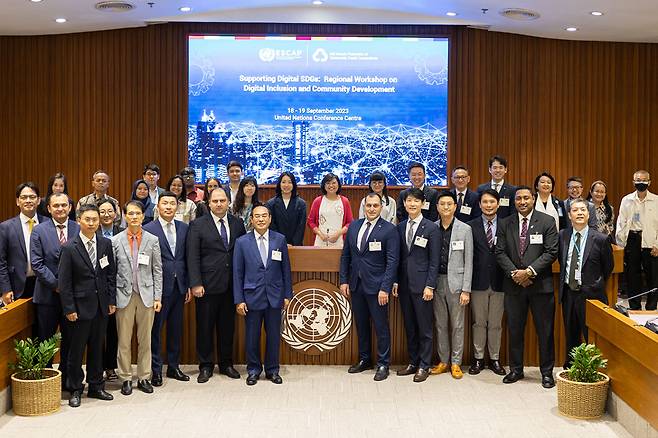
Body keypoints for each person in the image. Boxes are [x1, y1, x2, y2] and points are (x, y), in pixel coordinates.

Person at [495, 186, 558, 388]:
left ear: (533, 198)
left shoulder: (547, 221)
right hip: (513, 286)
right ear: (514, 201)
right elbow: (499, 252)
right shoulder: (505, 223)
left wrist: (529, 272)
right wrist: (516, 274)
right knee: (515, 329)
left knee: (545, 330)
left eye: (526, 198)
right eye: (518, 198)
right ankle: (516, 369)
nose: (522, 202)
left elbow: (551, 252)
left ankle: (547, 373)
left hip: (540, 286)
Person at [58, 204, 116, 408]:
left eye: (95, 219)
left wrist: (111, 301)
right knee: (76, 350)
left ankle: (96, 386)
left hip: (101, 307)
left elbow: (110, 274)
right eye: (87, 219)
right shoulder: (69, 248)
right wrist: (69, 309)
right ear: (79, 221)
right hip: (79, 309)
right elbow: (64, 283)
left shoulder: (105, 244)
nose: (91, 223)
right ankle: (75, 388)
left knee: (97, 349)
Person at [187, 187, 246, 383]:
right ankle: (205, 365)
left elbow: (242, 253)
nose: (219, 204)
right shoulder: (197, 225)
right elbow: (192, 256)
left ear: (228, 202)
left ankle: (226, 364)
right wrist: (195, 283)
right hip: (206, 286)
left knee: (227, 327)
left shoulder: (237, 223)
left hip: (231, 286)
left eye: (222, 201)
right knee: (204, 327)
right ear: (208, 203)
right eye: (215, 201)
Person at [340, 193, 399, 381]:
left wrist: (385, 287)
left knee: (381, 327)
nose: (372, 209)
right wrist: (344, 280)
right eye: (368, 206)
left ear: (381, 208)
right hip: (356, 285)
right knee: (362, 325)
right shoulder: (354, 226)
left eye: (375, 206)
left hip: (378, 287)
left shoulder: (389, 230)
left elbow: (392, 261)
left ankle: (383, 364)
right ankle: (365, 359)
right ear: (363, 207)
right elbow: (346, 256)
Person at [233, 205, 292, 385]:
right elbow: (237, 273)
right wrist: (239, 300)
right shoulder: (242, 242)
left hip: (275, 295)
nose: (260, 219)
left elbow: (285, 270)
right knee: (252, 336)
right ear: (251, 219)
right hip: (252, 296)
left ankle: (273, 370)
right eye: (257, 216)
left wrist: (287, 294)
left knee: (274, 335)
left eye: (264, 216)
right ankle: (253, 370)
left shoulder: (279, 240)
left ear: (270, 218)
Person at [112, 200, 163, 396]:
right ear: (125, 216)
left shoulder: (152, 240)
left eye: (137, 213)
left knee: (146, 340)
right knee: (124, 340)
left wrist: (157, 296)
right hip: (123, 295)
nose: (134, 217)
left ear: (143, 216)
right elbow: (112, 272)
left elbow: (157, 270)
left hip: (147, 296)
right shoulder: (116, 241)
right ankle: (125, 377)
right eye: (130, 213)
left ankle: (144, 376)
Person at [30, 193, 79, 389]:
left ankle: (68, 381)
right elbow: (37, 264)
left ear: (69, 207)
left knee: (70, 340)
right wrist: (58, 285)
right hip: (47, 296)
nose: (60, 209)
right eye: (56, 206)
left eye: (63, 205)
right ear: (49, 209)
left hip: (73, 298)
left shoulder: (78, 228)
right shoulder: (39, 230)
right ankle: (46, 382)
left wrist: (68, 288)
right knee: (45, 342)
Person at [559, 199, 614, 368]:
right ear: (569, 215)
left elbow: (608, 267)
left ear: (589, 214)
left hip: (591, 296)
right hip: (569, 293)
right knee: (571, 334)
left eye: (583, 209)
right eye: (575, 210)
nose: (580, 213)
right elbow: (563, 262)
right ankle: (572, 369)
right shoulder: (563, 235)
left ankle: (592, 370)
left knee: (591, 336)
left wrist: (592, 283)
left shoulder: (601, 239)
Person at [144, 192, 191, 386]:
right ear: (158, 206)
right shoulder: (148, 229)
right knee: (155, 330)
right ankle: (156, 370)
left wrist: (187, 284)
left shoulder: (185, 228)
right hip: (158, 290)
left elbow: (187, 258)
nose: (169, 207)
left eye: (173, 203)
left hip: (179, 286)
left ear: (178, 207)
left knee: (175, 329)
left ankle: (173, 366)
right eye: (165, 203)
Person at [392, 188, 438, 383]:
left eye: (415, 201)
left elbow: (434, 261)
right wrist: (395, 281)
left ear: (422, 204)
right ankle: (413, 362)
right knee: (409, 326)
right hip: (404, 285)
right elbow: (397, 258)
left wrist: (430, 285)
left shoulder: (431, 228)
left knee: (425, 328)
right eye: (409, 201)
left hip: (422, 287)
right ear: (404, 204)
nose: (412, 204)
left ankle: (424, 365)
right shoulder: (400, 227)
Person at [429, 191, 473, 380]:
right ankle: (443, 361)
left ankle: (456, 362)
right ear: (437, 207)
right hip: (436, 282)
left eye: (449, 204)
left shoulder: (465, 229)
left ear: (455, 207)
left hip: (457, 284)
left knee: (457, 325)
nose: (446, 207)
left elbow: (469, 260)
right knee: (440, 324)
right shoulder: (432, 228)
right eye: (442, 204)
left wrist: (466, 289)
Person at [467, 189, 506, 376]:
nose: (489, 205)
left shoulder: (506, 225)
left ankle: (495, 359)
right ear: (480, 204)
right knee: (479, 322)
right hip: (478, 281)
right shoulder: (470, 226)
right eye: (485, 202)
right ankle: (478, 358)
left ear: (498, 204)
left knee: (496, 323)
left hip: (500, 281)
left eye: (492, 202)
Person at [616, 170, 658, 310]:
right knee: (632, 275)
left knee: (653, 275)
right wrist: (621, 244)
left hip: (650, 241)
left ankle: (652, 306)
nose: (641, 182)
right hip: (632, 239)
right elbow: (621, 223)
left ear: (649, 182)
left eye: (644, 180)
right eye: (638, 180)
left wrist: (657, 244)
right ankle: (634, 306)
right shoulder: (626, 200)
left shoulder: (656, 200)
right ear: (633, 182)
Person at [0, 182, 44, 304]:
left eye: (32, 197)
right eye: (24, 197)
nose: (28, 200)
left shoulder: (48, 224)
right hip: (17, 286)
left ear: (39, 200)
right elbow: (1, 261)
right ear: (18, 201)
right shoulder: (5, 227)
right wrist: (5, 289)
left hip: (43, 285)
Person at [96, 199, 123, 382]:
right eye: (102, 211)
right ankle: (97, 367)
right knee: (97, 332)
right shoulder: (91, 233)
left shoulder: (122, 233)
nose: (106, 214)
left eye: (109, 211)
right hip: (96, 290)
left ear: (116, 214)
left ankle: (111, 366)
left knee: (112, 331)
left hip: (116, 288)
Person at [308, 173, 353, 248]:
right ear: (324, 185)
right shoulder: (318, 201)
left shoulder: (344, 201)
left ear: (338, 184)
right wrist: (320, 234)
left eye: (334, 183)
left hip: (339, 241)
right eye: (328, 183)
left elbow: (350, 222)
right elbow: (310, 222)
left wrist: (338, 234)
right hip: (320, 241)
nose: (331, 186)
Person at [266, 172, 307, 246]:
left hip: (295, 246)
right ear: (279, 184)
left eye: (290, 182)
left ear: (293, 184)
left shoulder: (301, 204)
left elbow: (300, 228)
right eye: (283, 182)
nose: (286, 185)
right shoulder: (271, 204)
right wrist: (282, 243)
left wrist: (294, 244)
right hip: (276, 244)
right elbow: (271, 226)